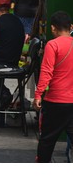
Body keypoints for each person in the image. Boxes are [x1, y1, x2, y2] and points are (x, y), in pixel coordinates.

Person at [33, 11, 73, 163]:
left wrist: (38, 95)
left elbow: (46, 72)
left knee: (47, 140)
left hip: (55, 101)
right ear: (71, 27)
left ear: (53, 29)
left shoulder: (53, 45)